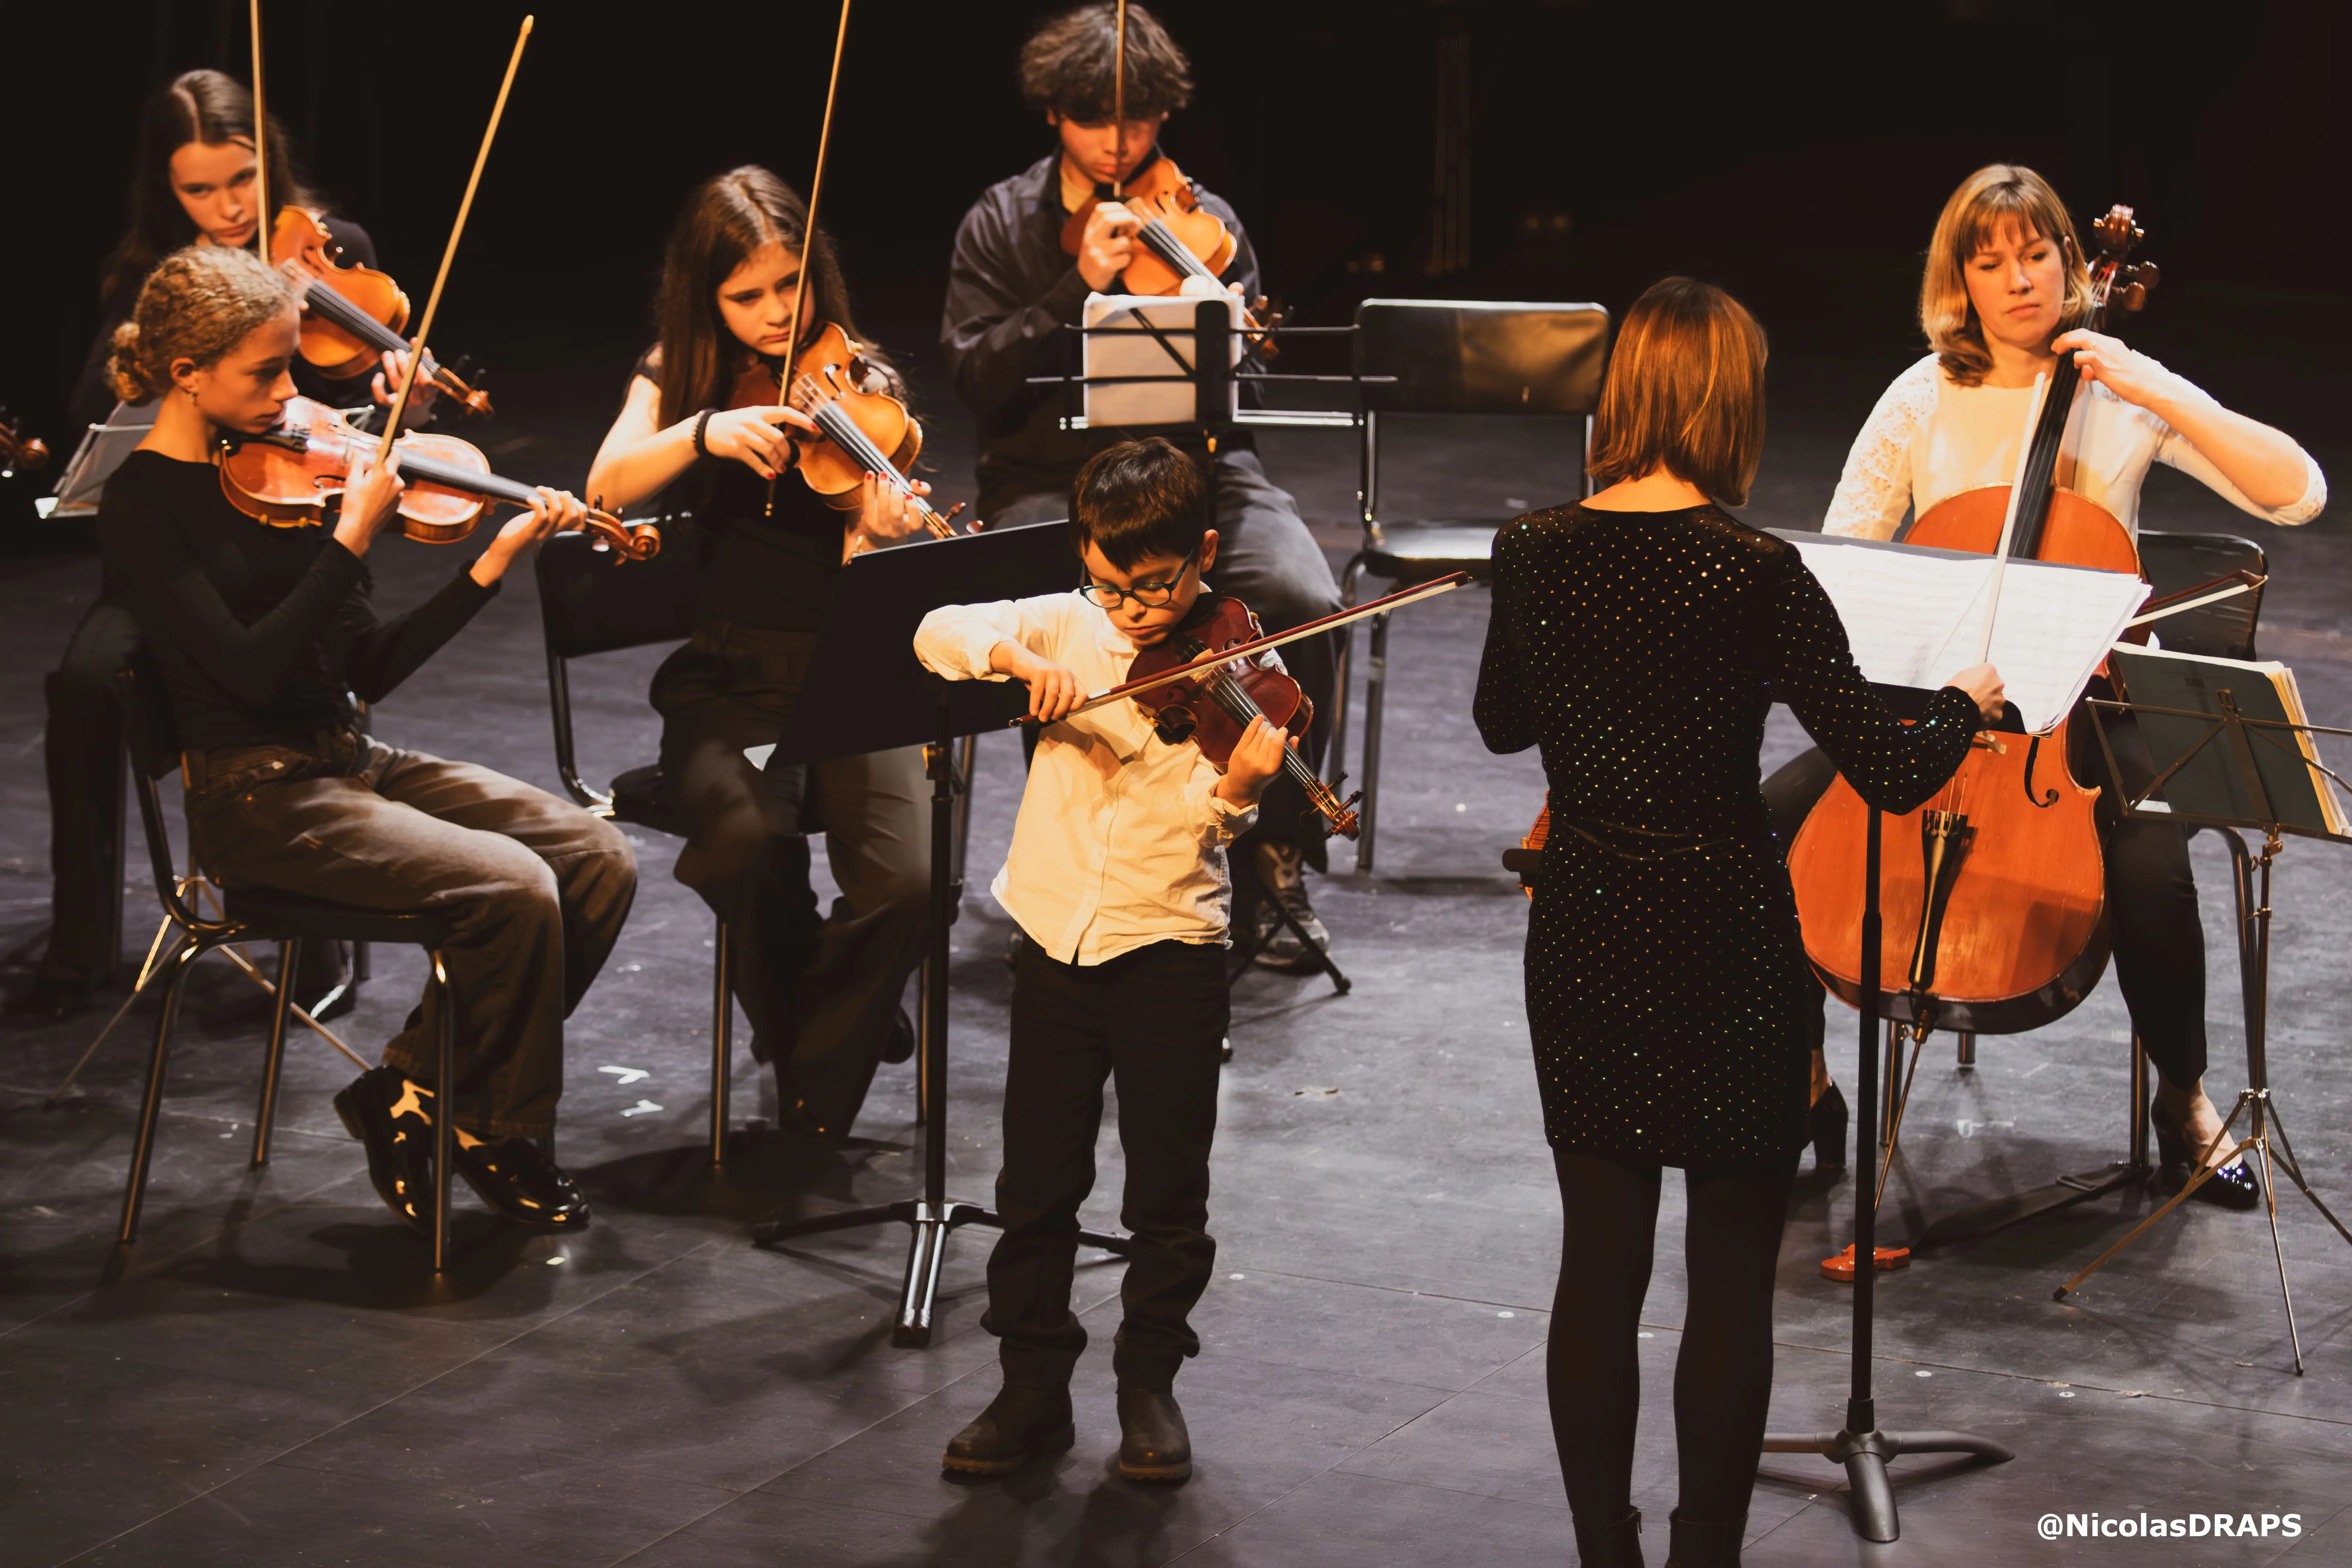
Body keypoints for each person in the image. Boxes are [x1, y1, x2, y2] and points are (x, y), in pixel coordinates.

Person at [1474, 278, 2002, 1567]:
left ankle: (1606, 1551)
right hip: (1725, 939)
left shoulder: (1531, 550)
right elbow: (1889, 767)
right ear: (1726, 406)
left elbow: (1500, 722)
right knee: (1727, 1278)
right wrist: (1966, 704)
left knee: (1599, 1268)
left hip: (1586, 930)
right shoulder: (1756, 570)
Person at [1764, 163, 2328, 1207]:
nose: (2020, 280)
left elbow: (2299, 493)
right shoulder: (1923, 394)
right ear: (1960, 282)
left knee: (2154, 870)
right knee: (1763, 832)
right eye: (1992, 263)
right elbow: (1842, 560)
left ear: (2074, 263)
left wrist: (2152, 387)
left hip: (2082, 711)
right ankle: (1804, 1082)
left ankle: (2183, 1099)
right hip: (1939, 698)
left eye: (2037, 255)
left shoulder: (2121, 392)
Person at [97, 243, 632, 1237]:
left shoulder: (281, 473)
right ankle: (488, 1127)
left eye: (291, 367)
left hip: (348, 760)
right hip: (255, 799)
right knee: (515, 887)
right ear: (187, 373)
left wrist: (491, 565)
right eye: (266, 373)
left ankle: (414, 1093)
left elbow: (368, 668)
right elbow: (247, 671)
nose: (289, 395)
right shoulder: (142, 506)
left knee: (595, 859)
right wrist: (348, 539)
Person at [914, 436, 1292, 1485]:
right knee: (1037, 1185)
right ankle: (1031, 1389)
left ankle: (1148, 1384)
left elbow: (1211, 826)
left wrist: (1239, 792)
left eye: (1156, 586)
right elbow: (938, 628)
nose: (1132, 613)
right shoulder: (1067, 622)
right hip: (1053, 940)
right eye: (1111, 585)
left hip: (1169, 944)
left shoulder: (1245, 668)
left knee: (1167, 1191)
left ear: (1203, 553)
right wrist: (1019, 662)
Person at [940, 1, 1344, 970]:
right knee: (1069, 618)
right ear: (1054, 114)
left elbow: (1247, 398)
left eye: (1138, 119)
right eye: (1094, 120)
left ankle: (1275, 847)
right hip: (1052, 477)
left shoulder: (1209, 221)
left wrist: (1228, 344)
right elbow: (979, 380)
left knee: (1300, 597)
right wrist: (1074, 288)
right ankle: (1080, 861)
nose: (1119, 143)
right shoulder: (1001, 222)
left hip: (1195, 472)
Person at [25, 69, 433, 1021]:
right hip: (175, 547)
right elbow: (92, 407)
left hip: (286, 534)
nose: (227, 208)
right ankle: (82, 941)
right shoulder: (155, 270)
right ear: (166, 191)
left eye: (242, 179)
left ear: (270, 162)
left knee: (296, 657)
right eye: (198, 190)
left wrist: (400, 401)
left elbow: (354, 406)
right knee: (84, 684)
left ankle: (316, 931)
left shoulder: (334, 252)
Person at [586, 165, 936, 1143]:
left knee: (910, 883)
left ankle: (816, 1038)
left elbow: (867, 564)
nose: (779, 313)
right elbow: (606, 487)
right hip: (733, 683)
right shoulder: (678, 373)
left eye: (793, 285)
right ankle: (830, 1050)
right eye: (749, 296)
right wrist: (703, 431)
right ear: (706, 298)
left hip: (855, 674)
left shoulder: (861, 381)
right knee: (742, 848)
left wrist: (879, 532)